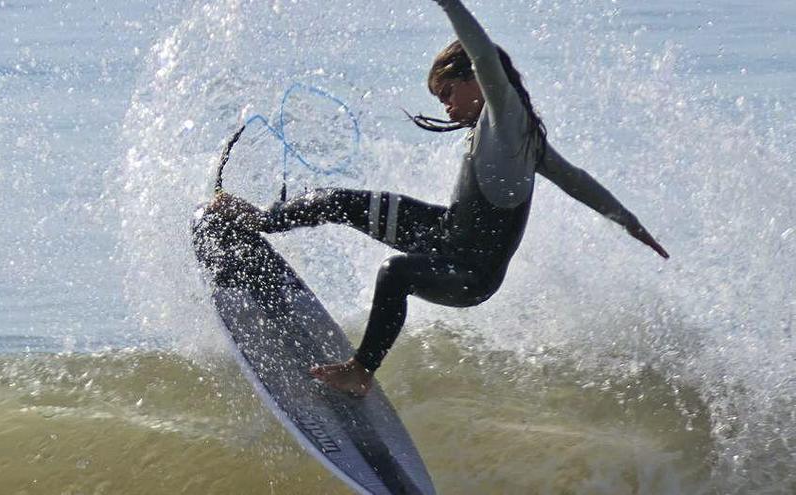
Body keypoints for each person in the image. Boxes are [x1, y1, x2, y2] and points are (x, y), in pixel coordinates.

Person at [210, 0, 669, 396]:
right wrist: (631, 222)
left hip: (470, 273)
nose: (445, 106)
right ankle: (260, 220)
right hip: (446, 235)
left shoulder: (508, 118)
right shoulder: (512, 135)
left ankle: (360, 371)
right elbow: (579, 182)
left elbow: (486, 55)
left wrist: (449, 4)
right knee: (343, 201)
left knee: (396, 273)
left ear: (476, 78)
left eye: (448, 92)